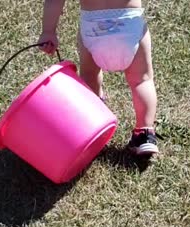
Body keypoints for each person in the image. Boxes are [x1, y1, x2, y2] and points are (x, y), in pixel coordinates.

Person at [38, 0, 159, 155]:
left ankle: (93, 123)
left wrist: (48, 31)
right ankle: (145, 134)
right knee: (141, 80)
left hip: (93, 27)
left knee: (89, 76)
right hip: (129, 23)